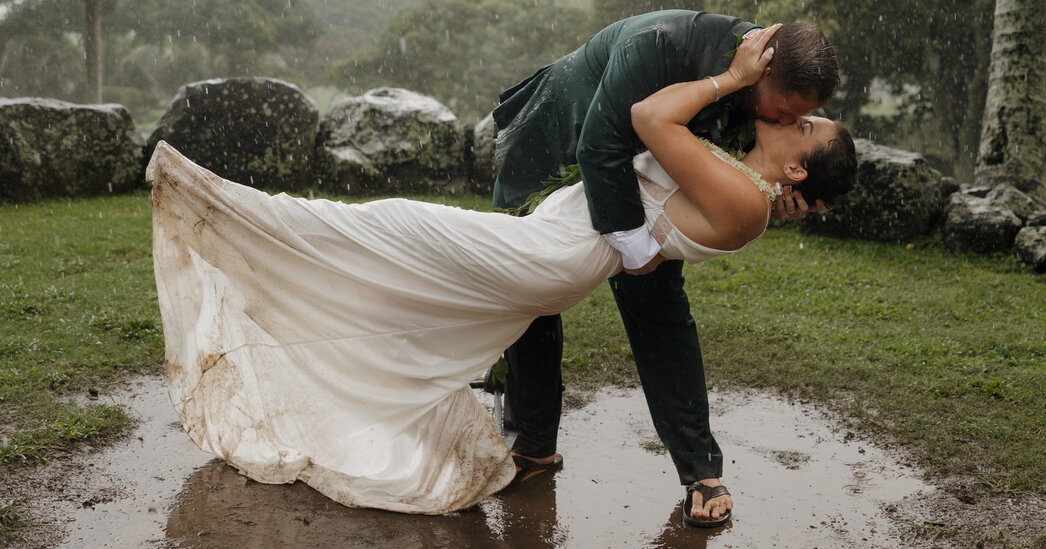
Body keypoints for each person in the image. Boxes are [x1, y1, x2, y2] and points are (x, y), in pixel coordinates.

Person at [148, 26, 856, 517]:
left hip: (558, 257)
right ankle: (256, 250)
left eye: (800, 124)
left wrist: (730, 76)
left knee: (389, 228)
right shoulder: (742, 173)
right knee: (394, 250)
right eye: (798, 113)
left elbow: (649, 116)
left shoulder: (743, 201)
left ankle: (224, 211)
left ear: (793, 163)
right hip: (556, 235)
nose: (782, 112)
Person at [490, 11, 840, 526]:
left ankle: (699, 469)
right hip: (556, 137)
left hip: (635, 160)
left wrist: (781, 191)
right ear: (762, 73)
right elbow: (598, 144)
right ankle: (534, 444)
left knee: (657, 303)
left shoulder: (762, 82)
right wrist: (636, 249)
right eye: (787, 113)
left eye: (799, 119)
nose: (785, 124)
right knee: (529, 291)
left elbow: (738, 159)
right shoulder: (660, 45)